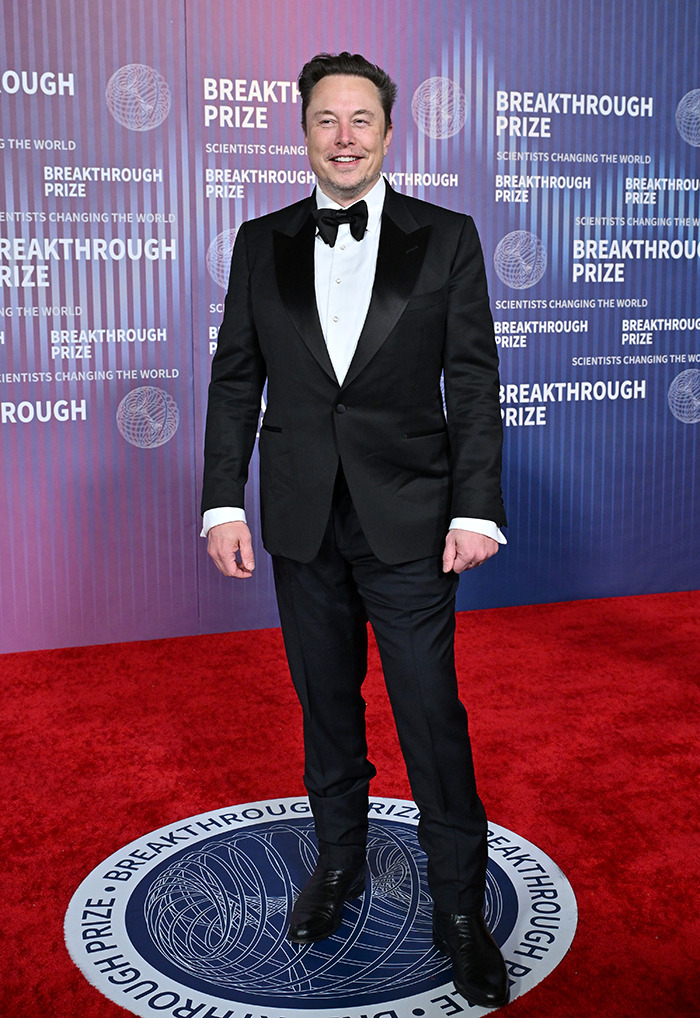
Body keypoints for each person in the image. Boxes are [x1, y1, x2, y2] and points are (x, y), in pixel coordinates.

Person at [201, 52, 508, 1008]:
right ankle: (338, 864)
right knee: (326, 709)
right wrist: (222, 503)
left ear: (387, 131)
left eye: (361, 119)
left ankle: (458, 907)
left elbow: (474, 381)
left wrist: (475, 506)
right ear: (302, 132)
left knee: (430, 714)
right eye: (326, 119)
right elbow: (234, 381)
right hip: (299, 521)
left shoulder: (447, 237)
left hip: (412, 519)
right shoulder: (262, 241)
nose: (344, 136)